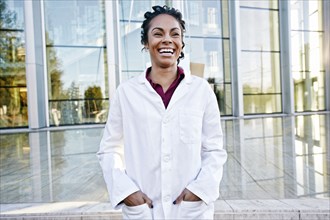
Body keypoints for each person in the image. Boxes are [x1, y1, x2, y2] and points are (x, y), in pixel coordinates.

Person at [97, 5, 227, 219]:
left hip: (190, 210)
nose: (167, 39)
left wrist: (198, 191)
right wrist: (128, 193)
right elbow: (110, 150)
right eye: (158, 33)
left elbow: (214, 150)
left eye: (175, 34)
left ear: (181, 44)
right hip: (145, 209)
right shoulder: (126, 93)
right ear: (146, 43)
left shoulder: (201, 90)